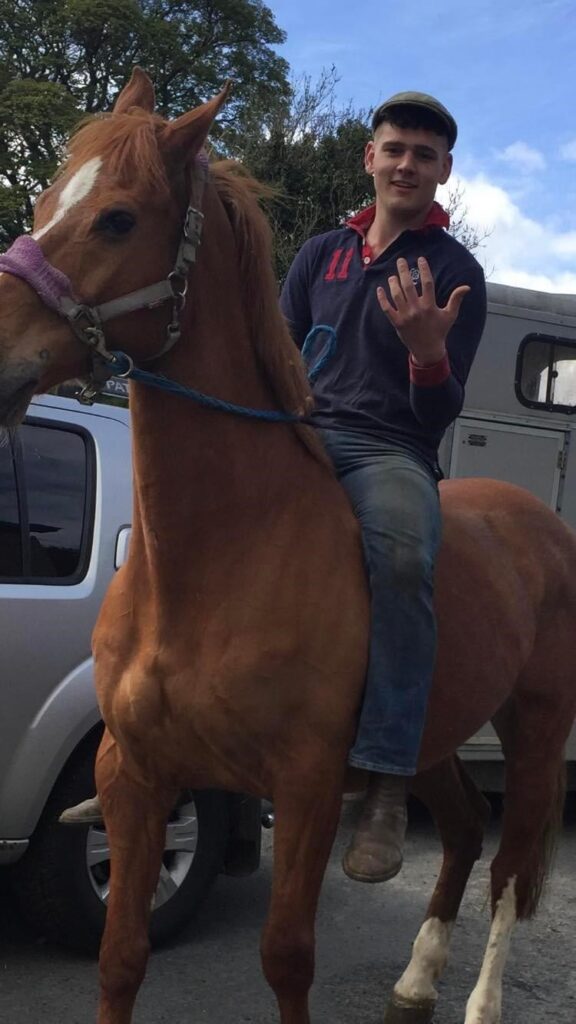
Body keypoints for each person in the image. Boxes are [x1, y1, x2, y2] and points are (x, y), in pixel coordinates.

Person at [279, 91, 487, 883]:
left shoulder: (455, 271)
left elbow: (440, 410)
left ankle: (388, 781)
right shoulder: (320, 252)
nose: (407, 164)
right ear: (370, 157)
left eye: (424, 156)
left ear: (443, 173)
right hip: (296, 434)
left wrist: (427, 353)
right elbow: (280, 351)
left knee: (402, 558)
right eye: (394, 148)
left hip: (385, 448)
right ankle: (142, 736)